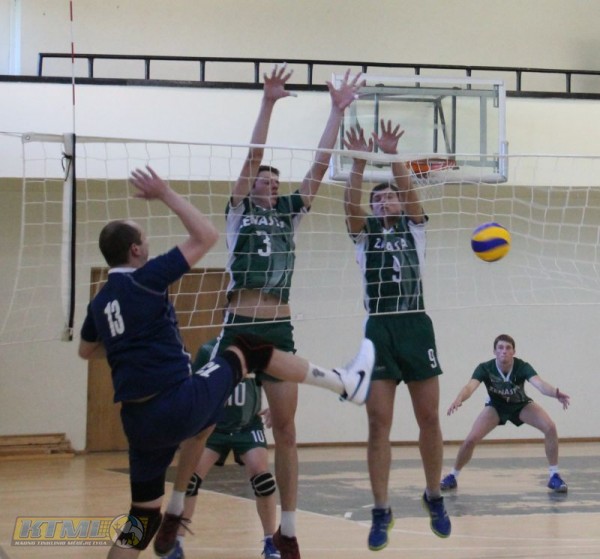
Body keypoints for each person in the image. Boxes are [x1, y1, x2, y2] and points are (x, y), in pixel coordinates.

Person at [78, 166, 374, 559]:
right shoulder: (146, 278)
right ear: (136, 250)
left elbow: (86, 351)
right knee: (250, 349)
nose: (148, 244)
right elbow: (206, 235)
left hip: (138, 421)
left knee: (143, 519)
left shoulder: (99, 302)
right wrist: (165, 192)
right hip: (176, 401)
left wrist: (125, 345)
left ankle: (174, 511)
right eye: (145, 239)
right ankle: (344, 382)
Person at [214, 64, 364, 559]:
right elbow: (254, 155)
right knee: (204, 425)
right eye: (264, 181)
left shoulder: (288, 213)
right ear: (252, 186)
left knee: (286, 430)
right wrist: (268, 103)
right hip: (238, 325)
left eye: (274, 182)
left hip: (278, 327)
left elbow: (319, 166)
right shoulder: (239, 211)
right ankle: (174, 511)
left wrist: (336, 111)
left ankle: (288, 531)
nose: (270, 185)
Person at [342, 121, 451, 551]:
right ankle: (381, 508)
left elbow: (408, 191)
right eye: (378, 198)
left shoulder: (414, 227)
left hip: (415, 324)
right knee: (378, 423)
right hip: (380, 327)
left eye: (390, 196)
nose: (385, 200)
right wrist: (359, 163)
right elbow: (350, 206)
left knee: (429, 418)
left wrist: (392, 157)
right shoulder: (364, 234)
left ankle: (434, 495)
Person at [165, 338, 280, 559]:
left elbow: (273, 376)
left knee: (263, 481)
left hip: (247, 426)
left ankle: (270, 542)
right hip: (214, 427)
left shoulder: (256, 347)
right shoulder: (209, 350)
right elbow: (194, 386)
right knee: (190, 481)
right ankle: (177, 542)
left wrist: (276, 407)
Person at [440, 333, 570, 494]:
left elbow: (541, 385)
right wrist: (460, 398)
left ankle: (554, 475)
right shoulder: (485, 368)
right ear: (494, 351)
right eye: (500, 348)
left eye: (508, 348)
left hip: (520, 405)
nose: (504, 351)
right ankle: (453, 476)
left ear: (514, 352)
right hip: (496, 407)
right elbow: (469, 387)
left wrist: (556, 393)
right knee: (470, 440)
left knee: (550, 427)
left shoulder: (522, 366)